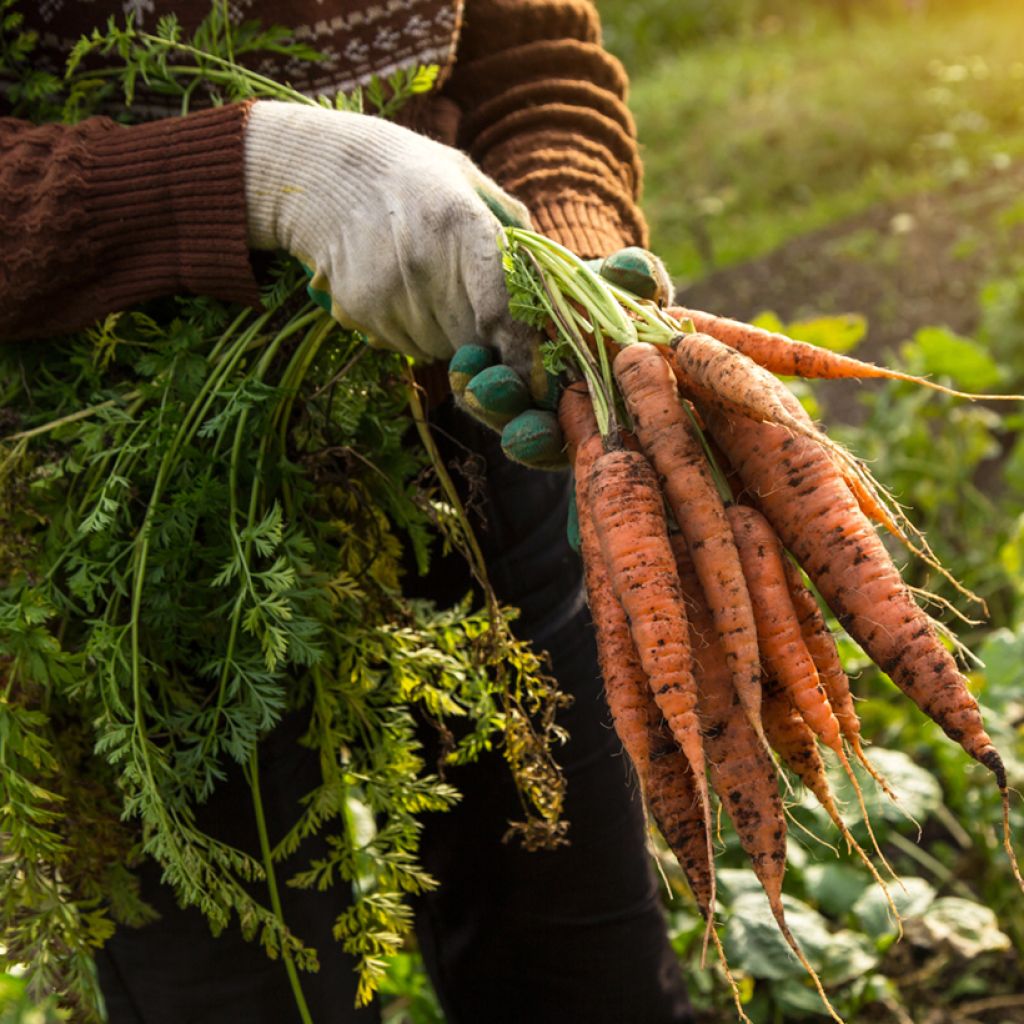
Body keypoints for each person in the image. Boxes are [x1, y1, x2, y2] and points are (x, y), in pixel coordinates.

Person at [1, 2, 693, 1021]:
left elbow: (531, 61)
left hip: (460, 421)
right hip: (118, 510)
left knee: (587, 971)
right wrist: (258, 174)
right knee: (249, 986)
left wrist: (557, 256)